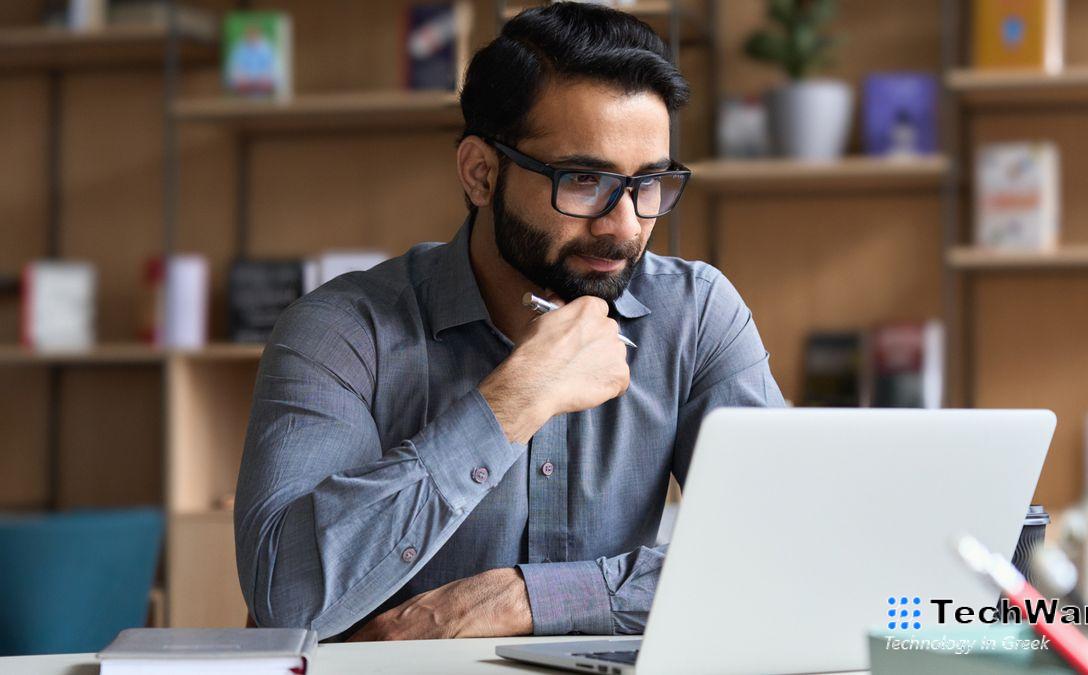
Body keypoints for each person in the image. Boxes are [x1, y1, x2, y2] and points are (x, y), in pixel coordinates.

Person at [234, 2, 785, 643]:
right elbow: (286, 602)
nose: (626, 226)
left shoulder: (695, 315)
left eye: (650, 184)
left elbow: (785, 553)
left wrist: (521, 599)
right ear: (480, 173)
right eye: (584, 180)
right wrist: (514, 400)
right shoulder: (340, 332)